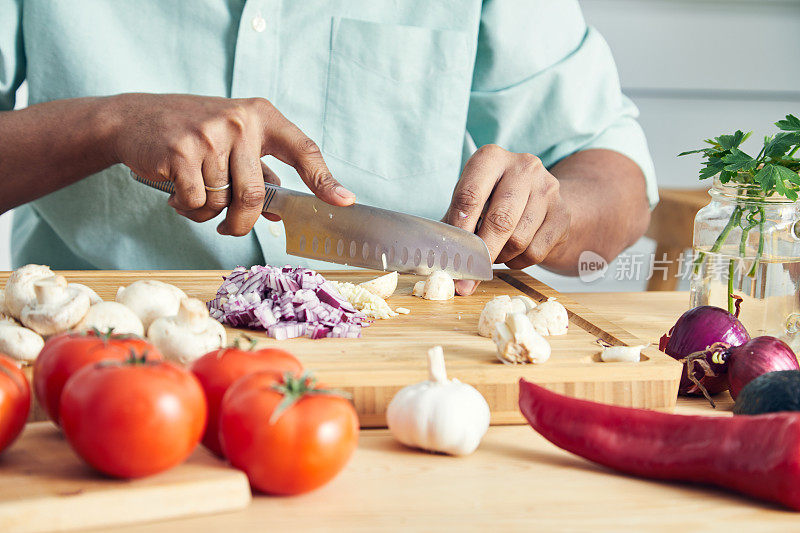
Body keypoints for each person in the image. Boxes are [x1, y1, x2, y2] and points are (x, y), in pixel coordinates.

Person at [0, 1, 656, 295]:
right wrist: (108, 125)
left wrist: (556, 210)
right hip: (93, 355)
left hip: (415, 362)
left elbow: (614, 175)